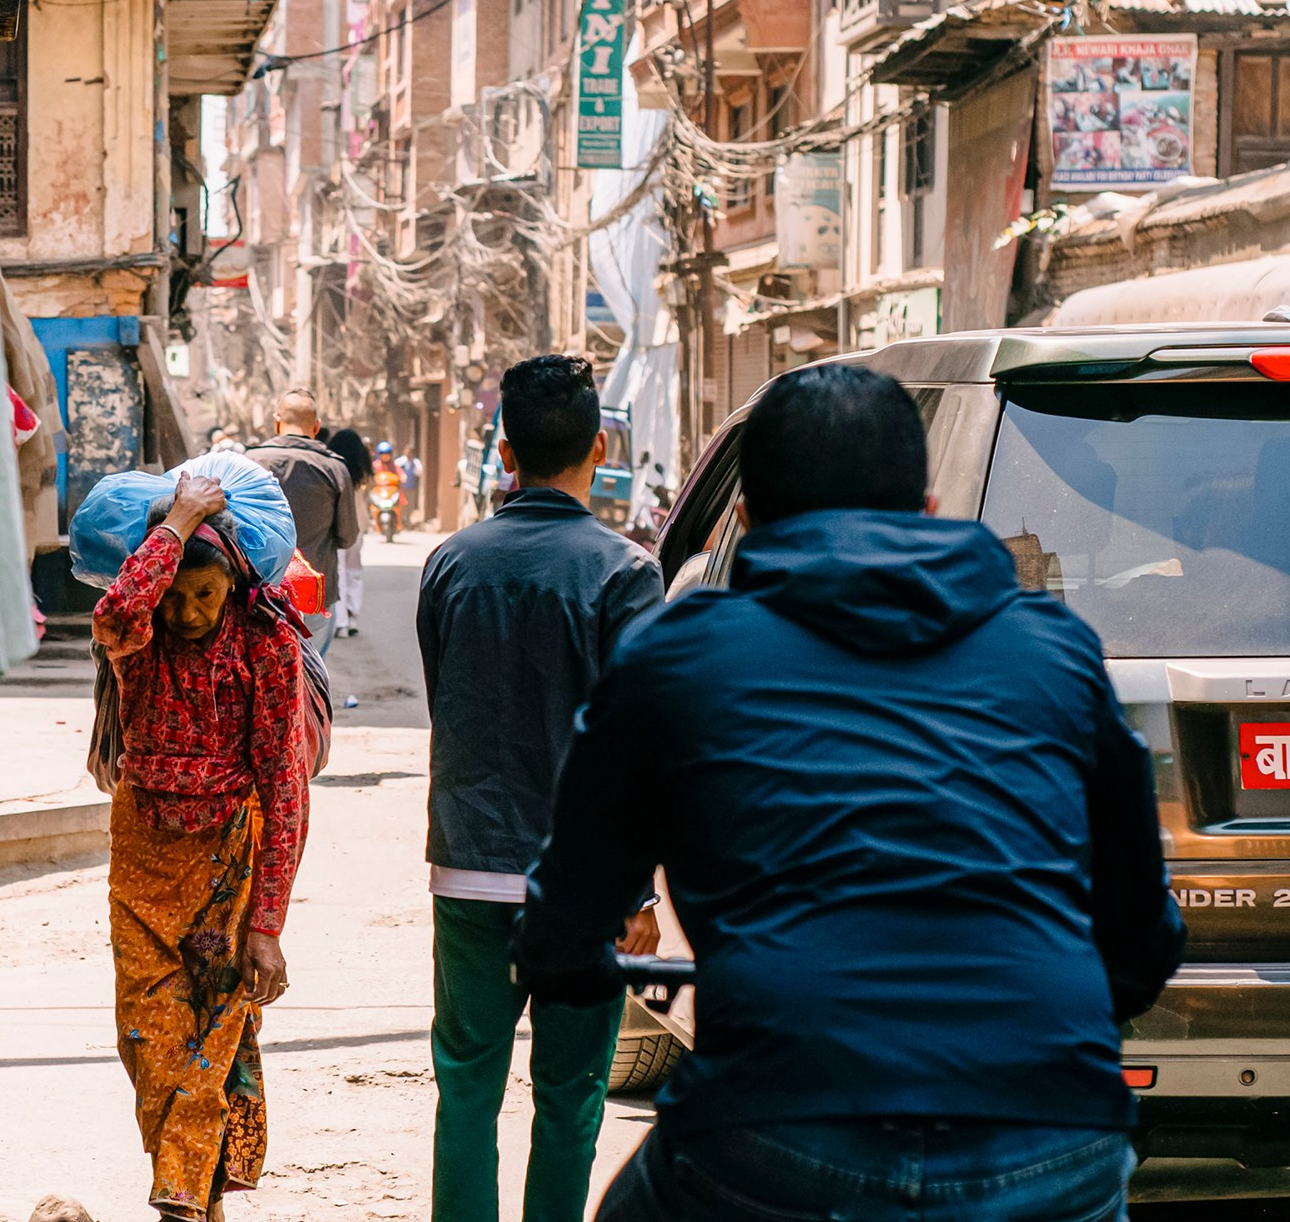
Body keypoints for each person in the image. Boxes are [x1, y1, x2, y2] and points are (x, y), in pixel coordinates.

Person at [515, 364, 1187, 1222]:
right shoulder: (1053, 651)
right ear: (931, 510)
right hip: (1050, 1133)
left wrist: (567, 963)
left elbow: (565, 921)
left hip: (775, 1134)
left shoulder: (679, 658)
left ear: (747, 519)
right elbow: (1140, 937)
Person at [415, 355, 666, 1222]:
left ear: (505, 450)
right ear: (599, 447)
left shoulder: (451, 563)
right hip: (583, 886)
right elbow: (640, 740)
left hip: (469, 868)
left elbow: (448, 696)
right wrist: (637, 888)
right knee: (569, 1098)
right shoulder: (626, 573)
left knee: (467, 1089)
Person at [92, 473, 311, 1222]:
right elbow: (116, 610)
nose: (186, 612)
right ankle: (194, 1197)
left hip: (227, 864)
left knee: (210, 1041)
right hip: (143, 858)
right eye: (176, 593)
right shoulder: (141, 635)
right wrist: (179, 522)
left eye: (205, 596)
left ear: (234, 586)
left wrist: (268, 924)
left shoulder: (266, 643)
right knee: (147, 1037)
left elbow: (284, 783)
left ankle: (183, 1204)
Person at [249, 391, 360, 654]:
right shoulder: (335, 469)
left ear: (277, 423)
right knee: (308, 675)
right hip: (314, 596)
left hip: (258, 593)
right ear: (317, 427)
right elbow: (347, 536)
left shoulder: (251, 462)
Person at [324, 429, 374, 637]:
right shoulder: (364, 471)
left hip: (337, 524)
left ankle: (341, 622)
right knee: (355, 569)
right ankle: (353, 616)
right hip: (359, 524)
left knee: (339, 571)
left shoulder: (332, 468)